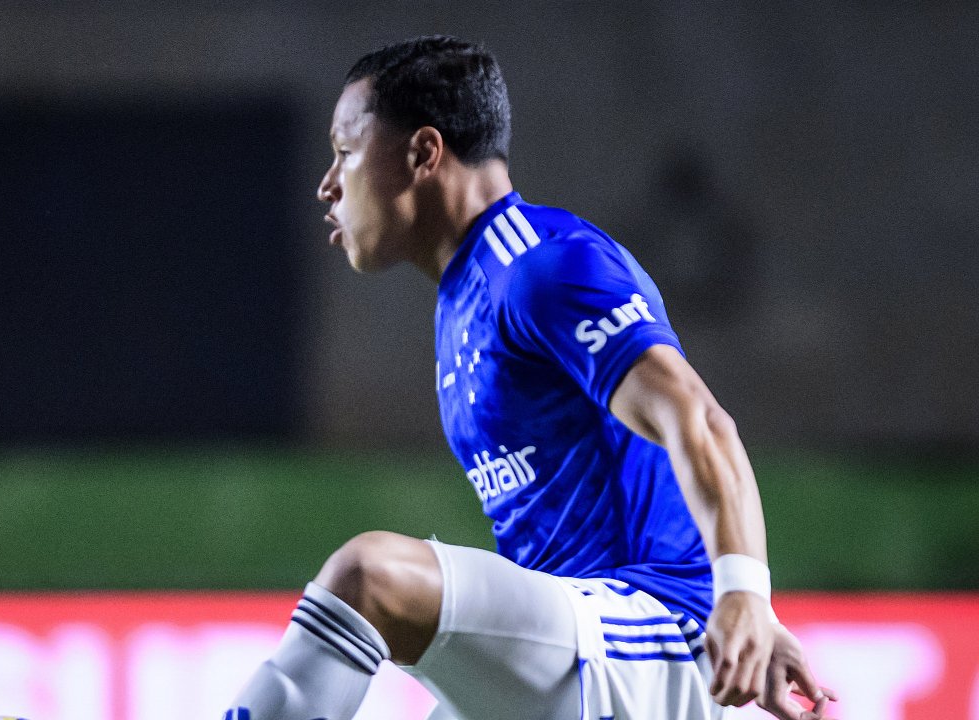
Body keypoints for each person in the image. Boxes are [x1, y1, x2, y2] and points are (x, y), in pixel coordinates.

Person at [224, 35, 835, 720]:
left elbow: (696, 418)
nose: (328, 184)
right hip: (586, 655)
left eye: (345, 151)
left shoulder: (541, 267)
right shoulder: (464, 298)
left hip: (655, 633)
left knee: (369, 578)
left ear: (423, 153)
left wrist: (745, 595)